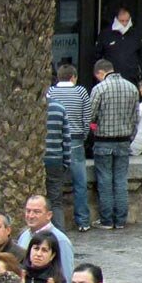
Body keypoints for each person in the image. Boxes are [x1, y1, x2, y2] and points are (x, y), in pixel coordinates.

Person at [88, 59, 139, 229]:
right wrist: (130, 137)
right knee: (120, 181)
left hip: (103, 141)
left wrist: (93, 130)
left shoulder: (99, 89)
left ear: (100, 73)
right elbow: (135, 118)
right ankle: (121, 220)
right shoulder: (132, 88)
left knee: (105, 180)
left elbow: (90, 115)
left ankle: (107, 220)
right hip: (124, 141)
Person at [47, 64, 92, 231]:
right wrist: (84, 135)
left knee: (53, 190)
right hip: (77, 140)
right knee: (80, 183)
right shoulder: (81, 92)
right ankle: (83, 221)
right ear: (73, 77)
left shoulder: (51, 93)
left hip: (54, 142)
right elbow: (87, 117)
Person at [16, 196, 74, 283]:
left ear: (49, 215)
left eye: (37, 212)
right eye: (28, 211)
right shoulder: (24, 236)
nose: (31, 216)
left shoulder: (61, 241)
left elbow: (66, 278)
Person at [94, 7, 142, 84]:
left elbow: (141, 55)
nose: (124, 24)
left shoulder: (136, 35)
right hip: (110, 78)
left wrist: (139, 72)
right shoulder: (106, 35)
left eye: (127, 21)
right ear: (116, 19)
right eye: (122, 21)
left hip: (131, 78)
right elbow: (98, 55)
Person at [43, 97, 71, 227]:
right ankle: (59, 234)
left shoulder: (26, 105)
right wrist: (66, 161)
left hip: (34, 161)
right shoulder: (59, 107)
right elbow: (66, 138)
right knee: (55, 202)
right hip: (55, 159)